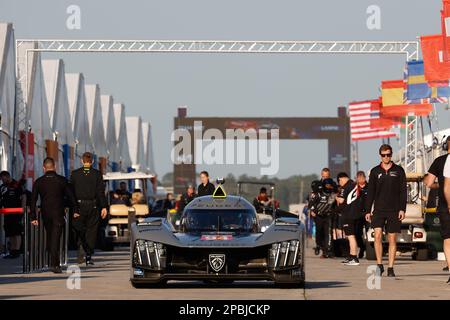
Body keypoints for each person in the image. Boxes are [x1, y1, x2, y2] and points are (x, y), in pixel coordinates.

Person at [365, 144, 406, 277]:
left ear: (391, 154)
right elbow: (370, 192)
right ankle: (379, 265)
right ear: (380, 156)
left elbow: (403, 191)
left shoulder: (399, 170)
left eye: (388, 154)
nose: (386, 157)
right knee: (377, 236)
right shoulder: (375, 171)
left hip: (394, 210)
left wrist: (402, 209)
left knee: (392, 239)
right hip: (378, 210)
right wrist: (367, 210)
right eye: (384, 155)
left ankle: (390, 268)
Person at [30, 158, 77, 273]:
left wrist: (33, 217)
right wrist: (76, 210)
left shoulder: (39, 181)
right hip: (58, 212)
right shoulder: (61, 180)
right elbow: (71, 196)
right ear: (55, 166)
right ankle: (54, 264)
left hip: (45, 213)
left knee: (50, 237)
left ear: (43, 167)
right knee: (55, 238)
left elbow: (33, 200)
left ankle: (53, 262)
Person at [70, 152, 108, 265]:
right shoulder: (97, 174)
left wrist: (73, 207)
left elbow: (71, 192)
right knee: (91, 231)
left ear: (82, 161)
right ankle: (88, 255)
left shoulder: (75, 174)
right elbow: (100, 192)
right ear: (92, 162)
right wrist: (104, 207)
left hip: (79, 206)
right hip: (93, 206)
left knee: (79, 229)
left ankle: (81, 247)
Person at [429, 136, 450, 282]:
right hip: (446, 203)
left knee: (448, 239)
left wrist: (440, 186)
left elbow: (429, 183)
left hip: (444, 205)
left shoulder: (439, 161)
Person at [336, 172, 361, 266]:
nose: (339, 184)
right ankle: (351, 256)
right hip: (356, 214)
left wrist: (336, 197)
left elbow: (341, 200)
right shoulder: (355, 184)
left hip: (348, 214)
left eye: (339, 182)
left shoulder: (345, 187)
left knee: (350, 236)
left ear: (341, 179)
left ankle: (354, 258)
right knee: (351, 236)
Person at [309, 178, 336, 258]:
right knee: (319, 233)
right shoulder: (318, 194)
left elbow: (335, 204)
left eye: (330, 185)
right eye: (327, 185)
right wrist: (312, 211)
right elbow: (311, 204)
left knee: (328, 234)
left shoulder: (333, 194)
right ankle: (319, 246)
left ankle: (328, 251)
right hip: (319, 217)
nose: (329, 187)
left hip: (328, 217)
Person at [0, 171, 25, 259]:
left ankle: (17, 250)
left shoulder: (16, 185)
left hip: (16, 212)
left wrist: (22, 209)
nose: (2, 181)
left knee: (16, 232)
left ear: (7, 176)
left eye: (3, 179)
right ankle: (12, 251)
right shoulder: (3, 187)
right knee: (9, 232)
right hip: (7, 213)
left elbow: (23, 197)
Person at [354, 171, 369, 258]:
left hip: (367, 213)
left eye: (361, 178)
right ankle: (362, 247)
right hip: (358, 214)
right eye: (358, 178)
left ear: (364, 178)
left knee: (369, 232)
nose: (360, 180)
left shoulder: (370, 187)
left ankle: (369, 249)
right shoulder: (355, 188)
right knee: (357, 233)